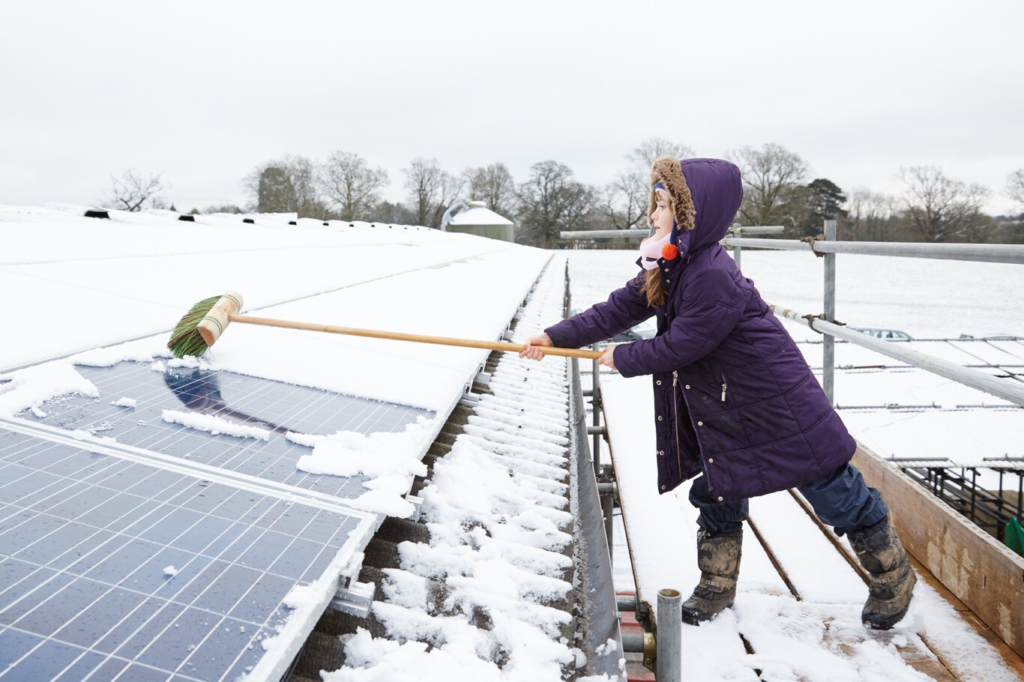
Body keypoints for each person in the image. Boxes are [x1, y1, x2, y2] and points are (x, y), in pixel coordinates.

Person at [520, 157, 916, 629]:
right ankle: (717, 584)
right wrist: (555, 336)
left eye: (663, 205)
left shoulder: (710, 272)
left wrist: (624, 358)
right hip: (727, 402)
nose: (653, 215)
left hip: (774, 401)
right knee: (717, 485)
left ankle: (893, 577)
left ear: (692, 214)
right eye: (655, 204)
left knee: (831, 488)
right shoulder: (671, 262)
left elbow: (686, 342)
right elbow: (620, 307)